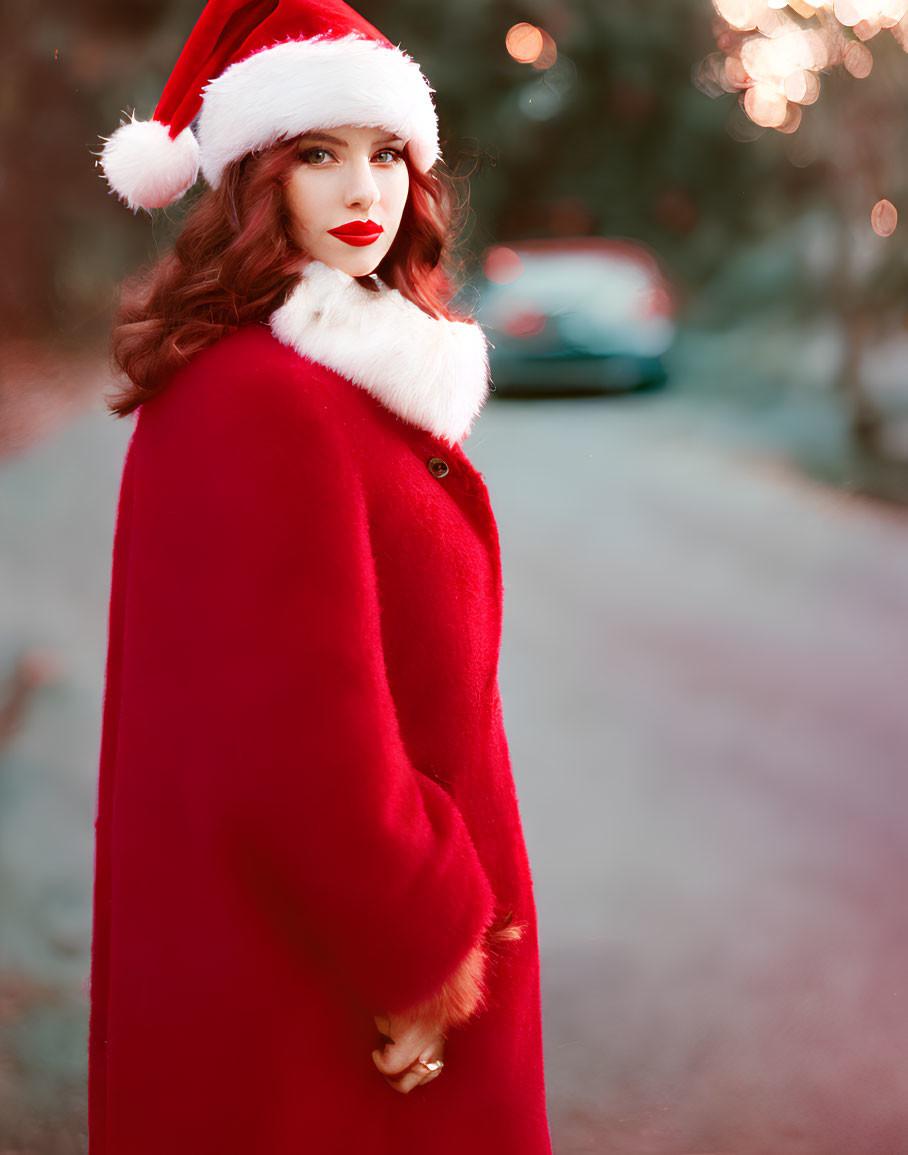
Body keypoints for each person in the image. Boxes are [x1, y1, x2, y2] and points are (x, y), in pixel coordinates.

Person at [90, 1, 551, 1152]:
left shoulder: (329, 374)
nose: (365, 191)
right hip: (324, 997)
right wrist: (420, 946)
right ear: (255, 174)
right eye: (317, 153)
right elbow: (301, 738)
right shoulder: (260, 399)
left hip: (326, 965)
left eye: (386, 152)